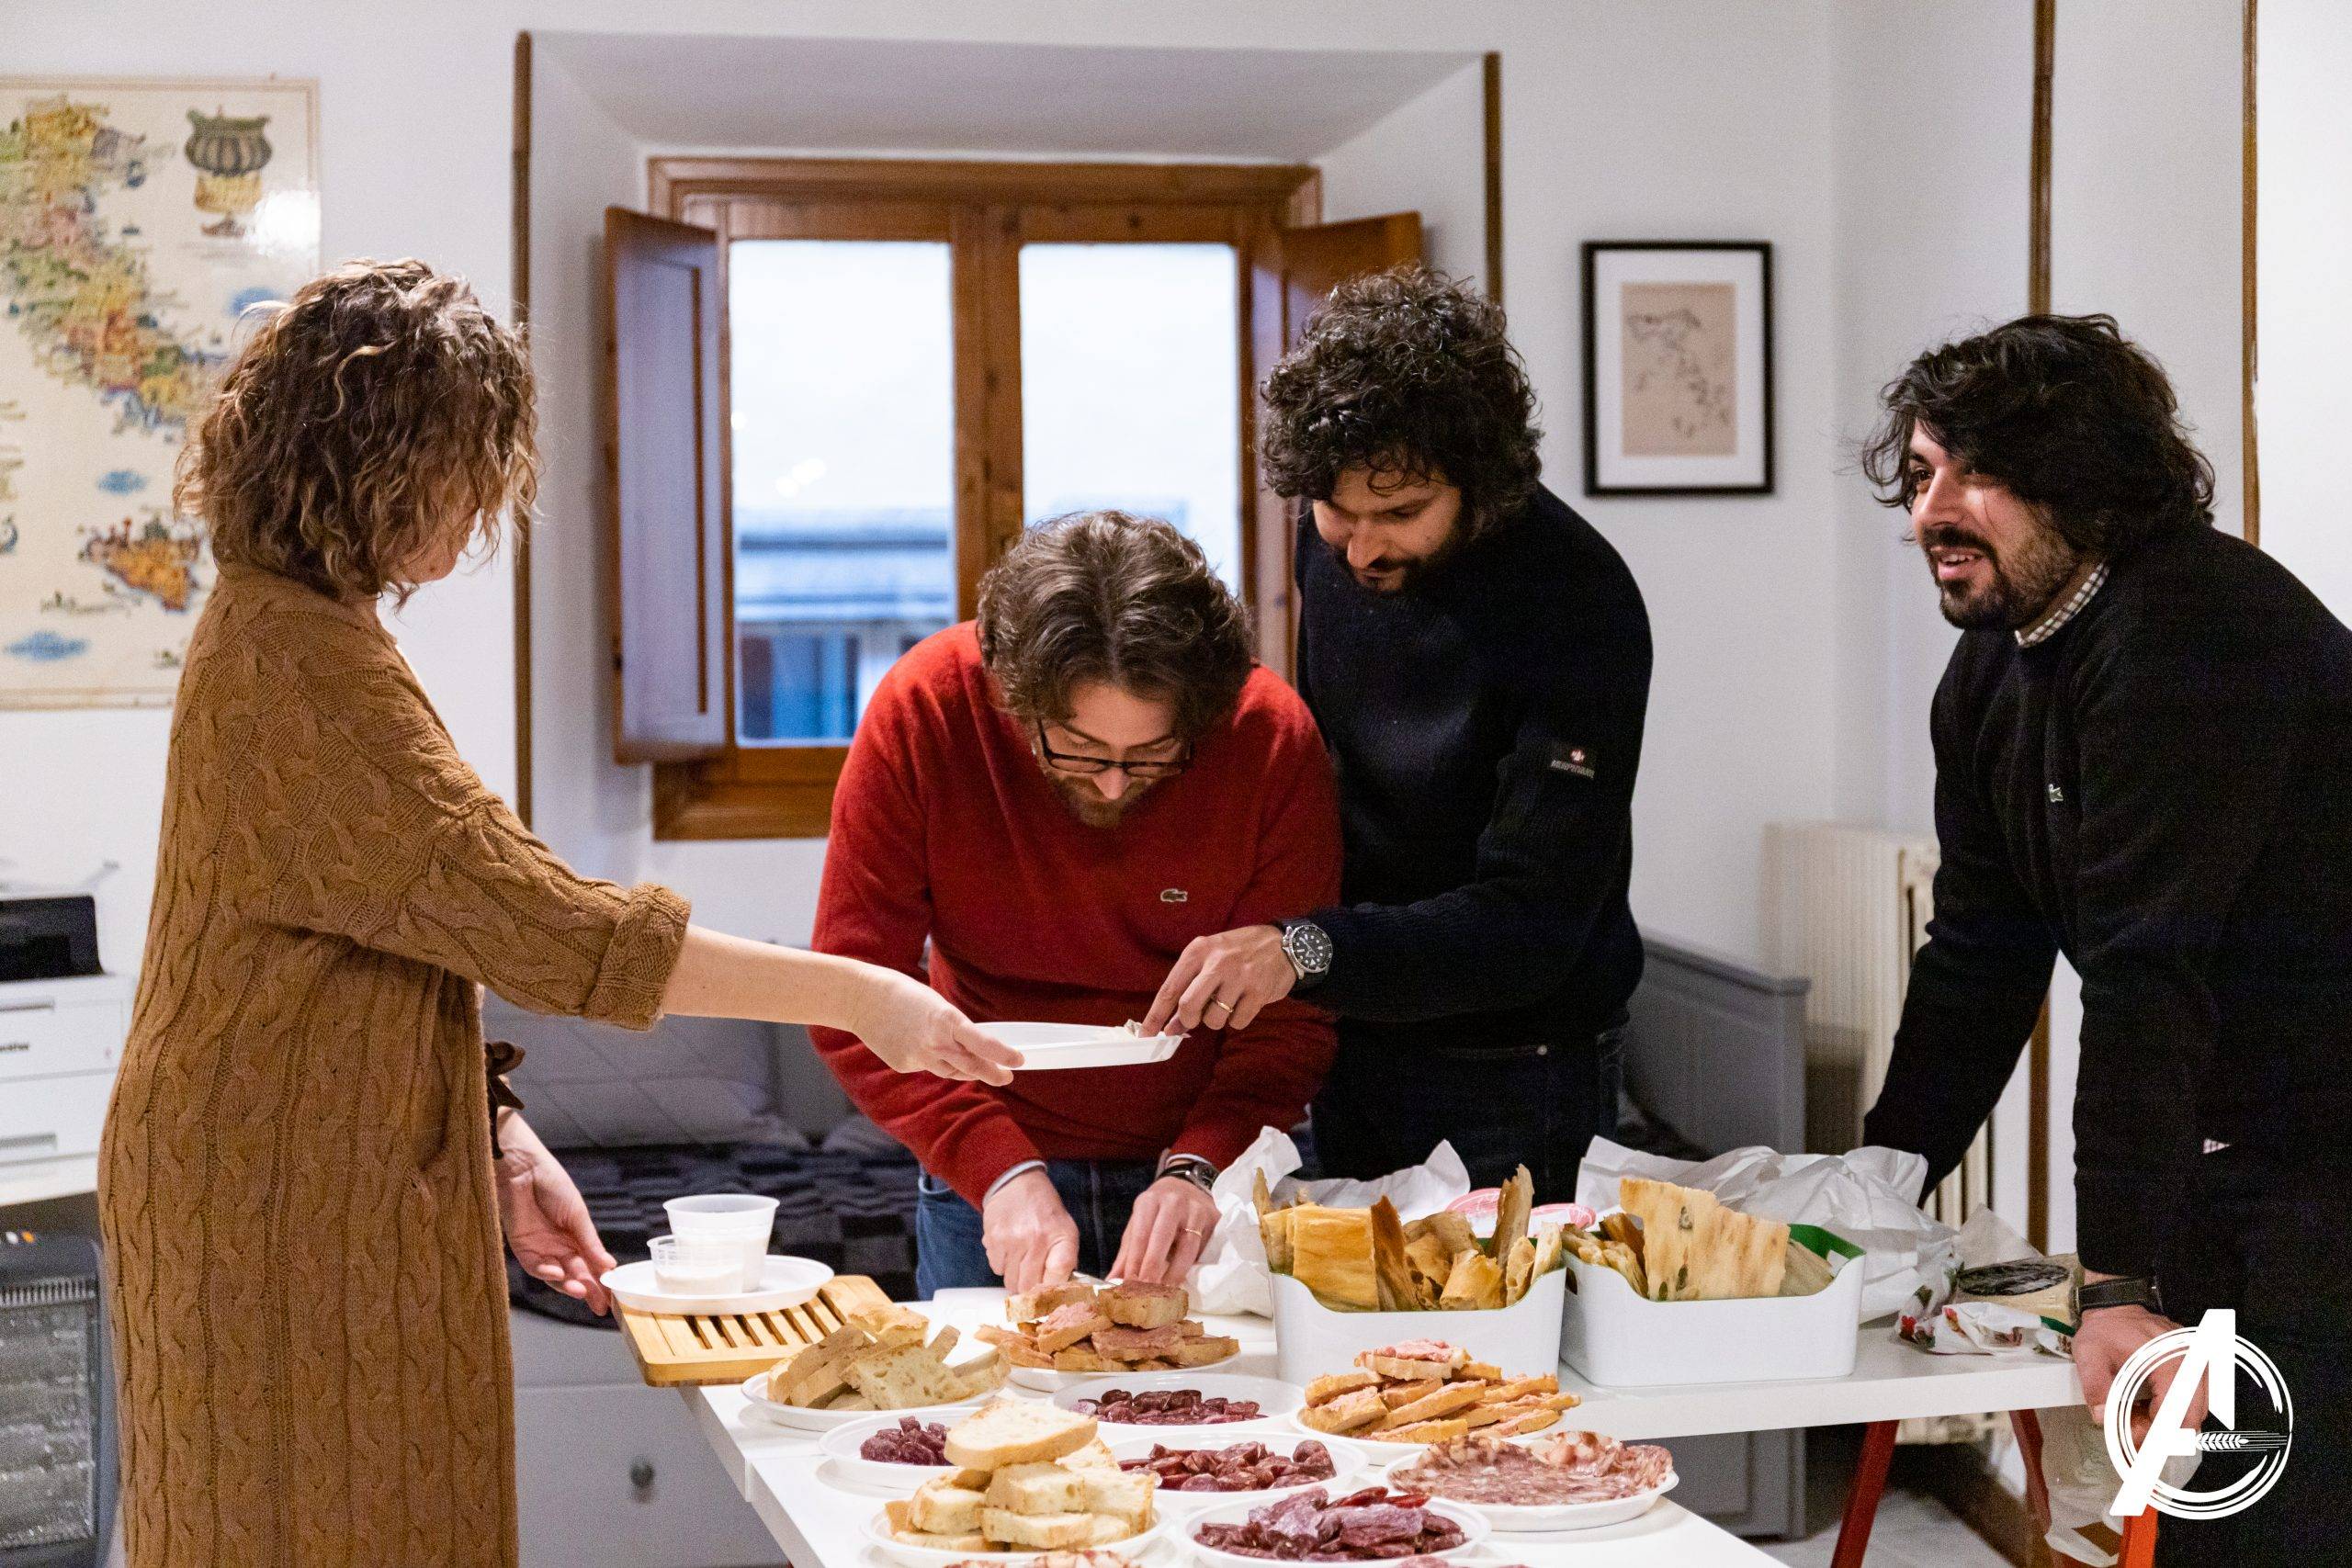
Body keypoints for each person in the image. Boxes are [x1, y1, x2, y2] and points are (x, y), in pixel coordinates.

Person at [96, 259, 1016, 1568]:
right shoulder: (296, 660)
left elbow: (392, 925)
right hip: (276, 1188)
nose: (481, 507)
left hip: (291, 1155)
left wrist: (498, 1130)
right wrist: (862, 992)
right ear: (380, 463)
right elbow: (547, 924)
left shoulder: (301, 626)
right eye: (465, 469)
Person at [1857, 314, 2352, 1564]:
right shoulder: (1993, 670)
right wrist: (1876, 1190)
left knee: (2279, 1525)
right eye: (1920, 473)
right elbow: (1978, 952)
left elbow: (2145, 970)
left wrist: (2115, 1282)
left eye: (1979, 473)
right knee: (2201, 1517)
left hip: (2324, 1147)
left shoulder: (2191, 632)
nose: (1932, 513)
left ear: (2082, 483)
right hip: (2227, 1139)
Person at [1141, 266, 1652, 1198]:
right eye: (1339, 513)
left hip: (1520, 1063)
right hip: (1355, 1032)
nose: (1364, 548)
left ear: (1481, 485)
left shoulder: (1578, 601)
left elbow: (1532, 923)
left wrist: (1301, 948)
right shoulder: (1333, 542)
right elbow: (1326, 775)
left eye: (1403, 514)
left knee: (1517, 1302)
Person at [808, 511, 1342, 1295]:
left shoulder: (1265, 734)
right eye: (1080, 750)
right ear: (1012, 696)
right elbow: (849, 992)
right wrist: (997, 1167)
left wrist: (1203, 1163)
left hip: (1206, 1177)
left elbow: (1292, 1015)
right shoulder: (928, 709)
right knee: (983, 1381)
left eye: (1153, 755)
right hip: (991, 1178)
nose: (1116, 785)